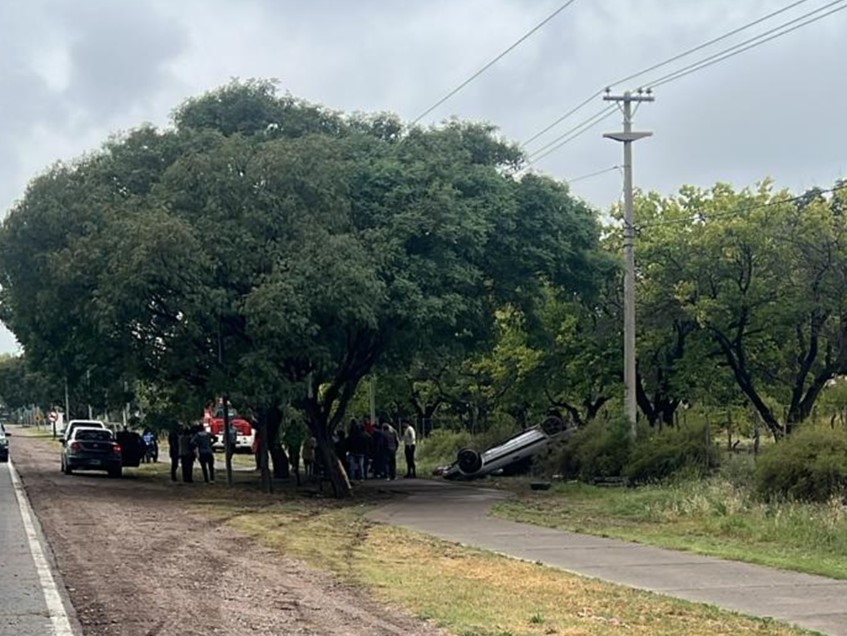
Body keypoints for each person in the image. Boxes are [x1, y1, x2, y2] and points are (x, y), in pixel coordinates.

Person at [283, 420, 306, 486]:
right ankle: (296, 466)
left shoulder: (289, 429)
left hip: (292, 446)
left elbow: (286, 438)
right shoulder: (298, 430)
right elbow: (301, 437)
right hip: (296, 447)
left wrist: (286, 444)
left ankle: (293, 466)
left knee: (291, 456)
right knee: (296, 457)